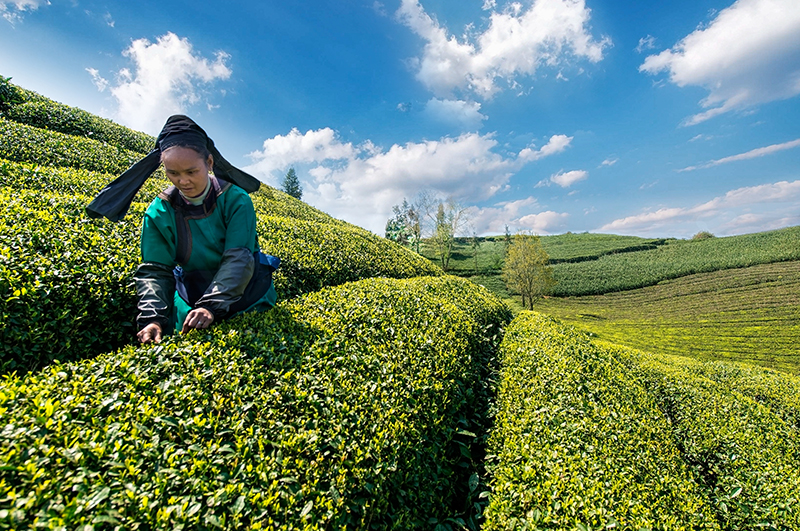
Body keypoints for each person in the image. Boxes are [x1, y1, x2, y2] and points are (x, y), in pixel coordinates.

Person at [86, 115, 279, 344]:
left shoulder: (236, 199)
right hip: (193, 297)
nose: (183, 181)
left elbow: (239, 258)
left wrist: (211, 306)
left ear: (209, 163)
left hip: (248, 295)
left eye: (191, 171)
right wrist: (152, 318)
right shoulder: (159, 212)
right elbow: (155, 270)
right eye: (173, 173)